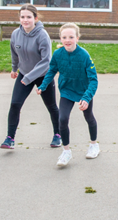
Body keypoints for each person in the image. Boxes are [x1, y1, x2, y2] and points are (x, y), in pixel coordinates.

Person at [36, 23, 99, 167]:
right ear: (60, 38)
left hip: (84, 92)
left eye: (71, 37)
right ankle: (66, 151)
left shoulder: (84, 55)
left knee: (89, 117)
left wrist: (87, 97)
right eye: (64, 37)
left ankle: (94, 144)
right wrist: (43, 86)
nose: (68, 40)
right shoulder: (58, 54)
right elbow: (51, 71)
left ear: (77, 38)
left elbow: (93, 79)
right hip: (67, 91)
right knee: (62, 119)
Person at [1, 4, 61, 150]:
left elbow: (46, 61)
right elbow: (14, 54)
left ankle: (58, 135)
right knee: (15, 104)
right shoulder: (16, 34)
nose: (25, 20)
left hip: (43, 76)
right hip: (24, 74)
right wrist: (15, 69)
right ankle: (10, 138)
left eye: (28, 17)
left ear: (35, 18)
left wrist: (29, 78)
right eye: (22, 17)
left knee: (51, 106)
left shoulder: (42, 35)